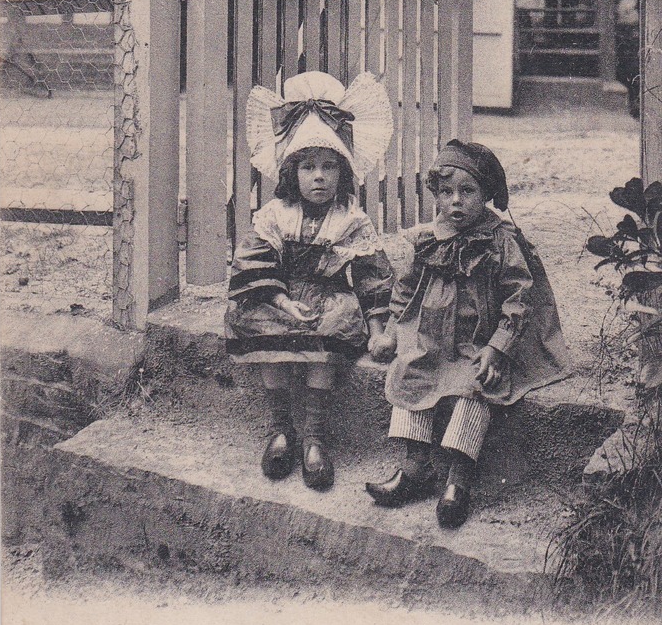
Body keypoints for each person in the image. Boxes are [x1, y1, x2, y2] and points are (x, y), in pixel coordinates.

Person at [366, 139, 571, 529]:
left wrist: (498, 348)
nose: (455, 202)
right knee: (411, 374)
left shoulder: (499, 240)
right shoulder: (431, 238)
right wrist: (394, 329)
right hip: (432, 338)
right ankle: (414, 469)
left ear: (487, 194)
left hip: (478, 341)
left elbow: (519, 297)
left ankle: (459, 480)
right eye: (446, 192)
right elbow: (407, 288)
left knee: (476, 388)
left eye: (467, 191)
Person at [225, 70, 394, 491]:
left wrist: (378, 330)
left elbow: (373, 277)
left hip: (328, 297)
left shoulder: (350, 220)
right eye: (308, 166)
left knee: (331, 329)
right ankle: (281, 429)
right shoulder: (274, 215)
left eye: (329, 167)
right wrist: (283, 302)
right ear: (291, 173)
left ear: (342, 173)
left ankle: (315, 439)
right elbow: (253, 263)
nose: (319, 176)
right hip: (280, 296)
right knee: (263, 328)